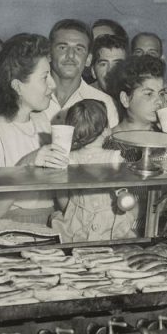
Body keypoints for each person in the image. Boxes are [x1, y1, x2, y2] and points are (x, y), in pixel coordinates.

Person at [0, 33, 68, 224]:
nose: (52, 84)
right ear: (17, 86)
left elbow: (61, 198)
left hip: (52, 222)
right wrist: (26, 164)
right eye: (44, 77)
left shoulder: (44, 120)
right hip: (10, 229)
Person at [103, 55, 167, 234]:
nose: (159, 101)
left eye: (161, 93)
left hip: (161, 236)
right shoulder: (106, 142)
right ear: (125, 99)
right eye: (148, 93)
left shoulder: (166, 143)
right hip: (116, 237)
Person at [51, 99, 136, 242]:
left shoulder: (70, 159)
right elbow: (124, 194)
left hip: (77, 221)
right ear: (106, 130)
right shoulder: (114, 157)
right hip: (110, 220)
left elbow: (61, 195)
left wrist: (73, 209)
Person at [43, 19, 119, 127]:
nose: (70, 55)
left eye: (79, 49)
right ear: (49, 54)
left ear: (88, 59)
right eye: (62, 48)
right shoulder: (29, 96)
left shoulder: (105, 104)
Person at [130, 32, 167, 120]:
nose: (144, 58)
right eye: (138, 52)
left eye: (152, 53)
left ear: (162, 59)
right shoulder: (122, 91)